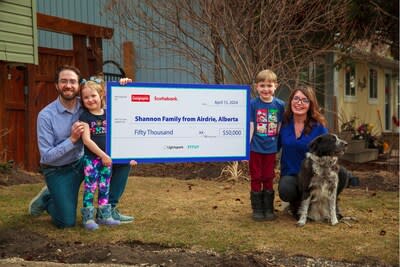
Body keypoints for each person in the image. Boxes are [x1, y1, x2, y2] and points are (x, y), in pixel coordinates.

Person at [28, 65, 135, 228]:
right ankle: (49, 198)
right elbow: (46, 156)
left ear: (78, 86)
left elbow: (113, 106)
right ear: (57, 85)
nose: (68, 85)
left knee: (123, 162)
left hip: (83, 161)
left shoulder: (87, 102)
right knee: (66, 222)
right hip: (58, 169)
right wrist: (71, 139)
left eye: (72, 81)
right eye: (63, 81)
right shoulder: (46, 116)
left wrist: (123, 88)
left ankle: (108, 209)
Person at [278, 85, 350, 219]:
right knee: (285, 189)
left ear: (310, 104)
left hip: (315, 173)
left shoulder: (319, 127)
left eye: (304, 100)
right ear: (291, 101)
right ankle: (296, 205)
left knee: (343, 174)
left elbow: (330, 152)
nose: (299, 103)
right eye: (296, 99)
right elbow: (273, 146)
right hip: (292, 175)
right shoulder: (283, 124)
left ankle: (329, 204)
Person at [79, 76, 120, 230]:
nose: (90, 100)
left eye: (93, 96)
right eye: (86, 97)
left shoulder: (109, 114)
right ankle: (88, 218)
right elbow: (87, 140)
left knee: (105, 186)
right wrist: (102, 155)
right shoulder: (85, 117)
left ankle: (104, 215)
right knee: (90, 187)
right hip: (92, 159)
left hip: (107, 159)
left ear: (101, 95)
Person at [249, 69, 285, 221]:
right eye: (262, 85)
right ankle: (257, 209)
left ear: (275, 86)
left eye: (269, 85)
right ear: (256, 87)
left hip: (271, 148)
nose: (266, 89)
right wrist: (246, 148)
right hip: (255, 147)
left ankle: (268, 208)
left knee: (268, 176)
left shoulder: (280, 105)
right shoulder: (252, 104)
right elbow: (251, 125)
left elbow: (280, 126)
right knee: (256, 176)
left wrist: (279, 145)